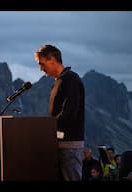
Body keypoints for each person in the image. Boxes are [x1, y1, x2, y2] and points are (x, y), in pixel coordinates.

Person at [34, 44, 85, 181]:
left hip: (69, 145)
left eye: (41, 64)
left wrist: (48, 128)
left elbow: (69, 113)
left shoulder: (70, 79)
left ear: (52, 59)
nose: (40, 69)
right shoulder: (59, 81)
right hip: (60, 144)